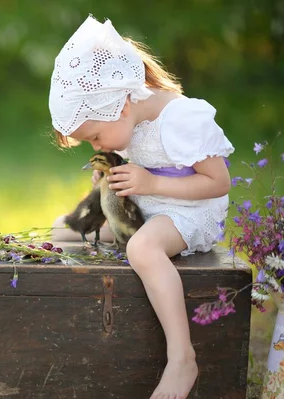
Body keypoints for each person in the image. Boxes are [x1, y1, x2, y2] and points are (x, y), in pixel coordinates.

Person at [48, 15, 235, 399]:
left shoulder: (182, 118)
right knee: (62, 230)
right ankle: (80, 320)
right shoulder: (124, 122)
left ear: (118, 107)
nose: (97, 146)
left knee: (142, 248)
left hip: (189, 210)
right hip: (145, 207)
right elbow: (122, 162)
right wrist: (108, 184)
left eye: (95, 137)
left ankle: (182, 359)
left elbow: (218, 183)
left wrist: (150, 183)